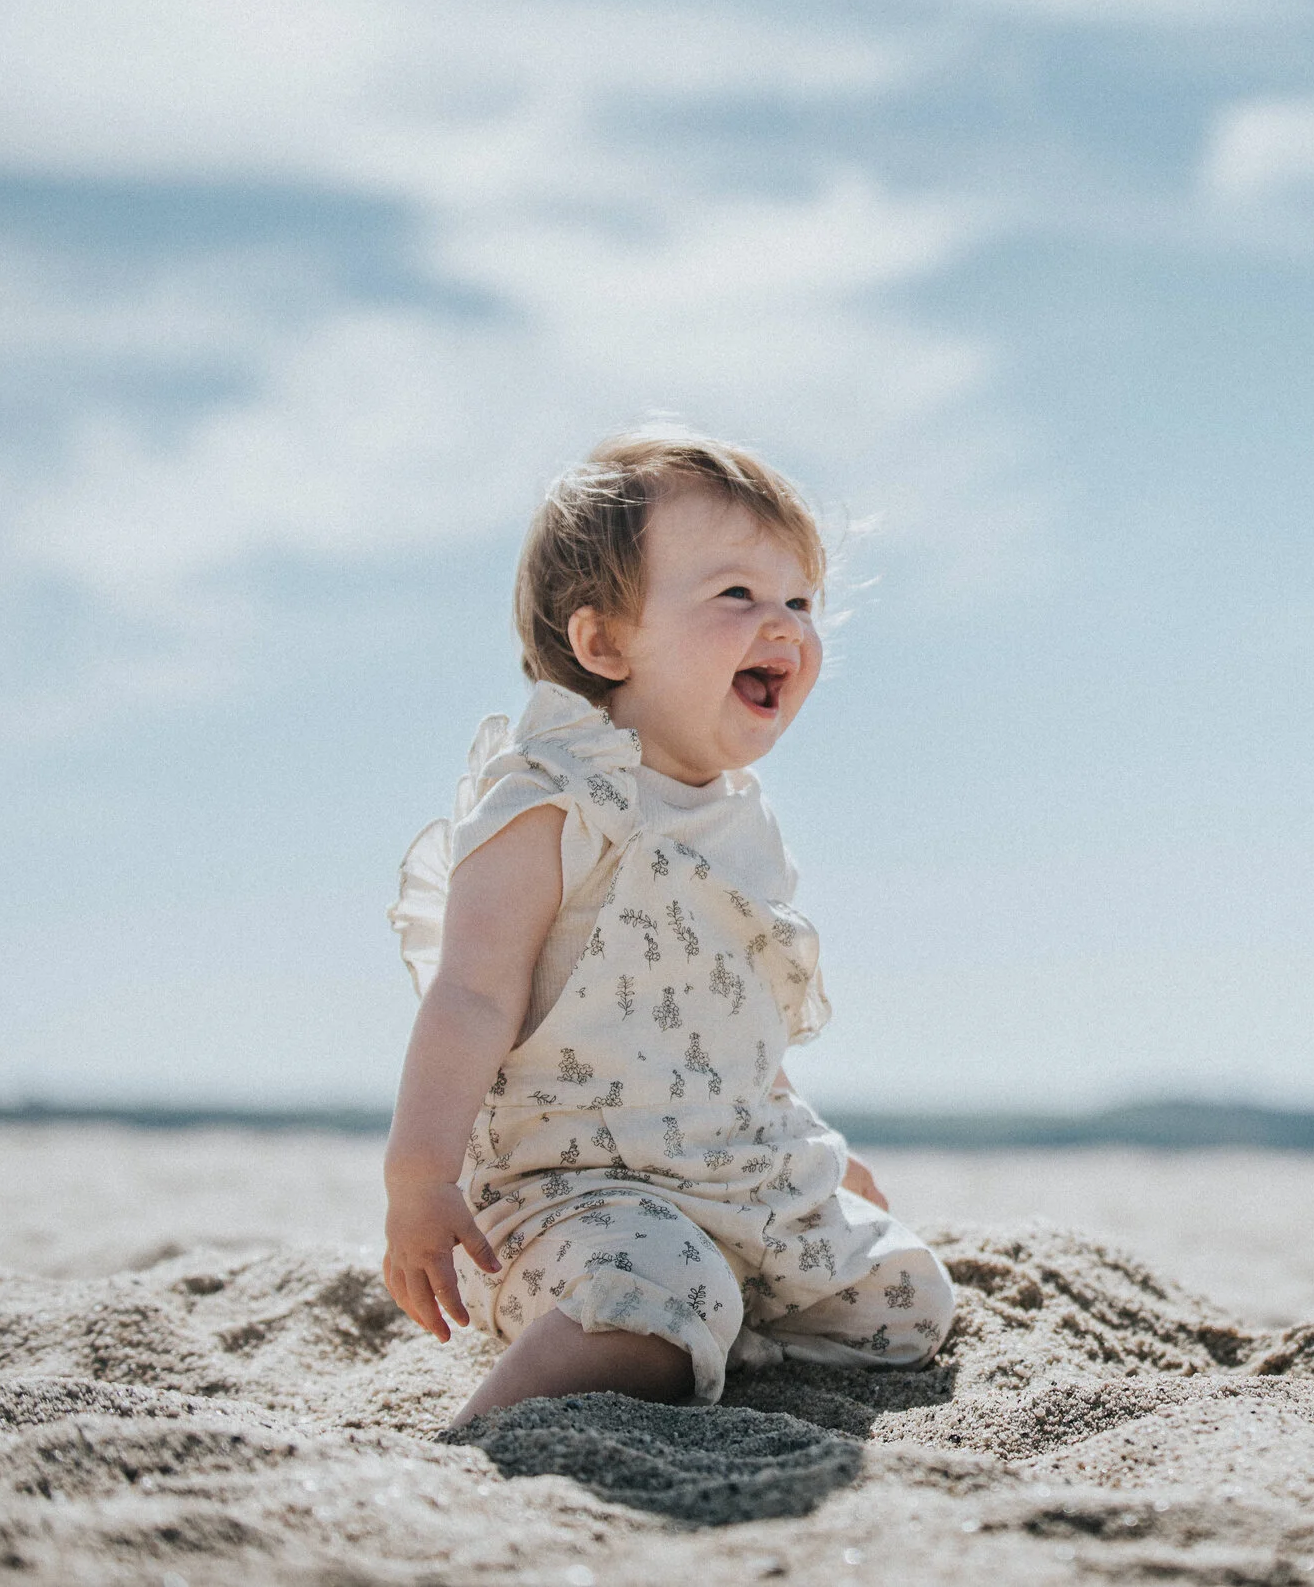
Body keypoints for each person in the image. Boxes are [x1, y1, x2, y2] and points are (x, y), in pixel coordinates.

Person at [381, 428, 953, 1427]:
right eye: (736, 594)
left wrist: (806, 1138)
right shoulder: (554, 798)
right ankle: (482, 1430)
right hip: (576, 1191)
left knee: (906, 1299)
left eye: (800, 601)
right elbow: (471, 992)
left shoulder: (744, 822)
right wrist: (419, 1177)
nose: (780, 624)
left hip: (731, 1168)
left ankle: (721, 1328)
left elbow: (731, 1016)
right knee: (651, 1299)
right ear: (603, 642)